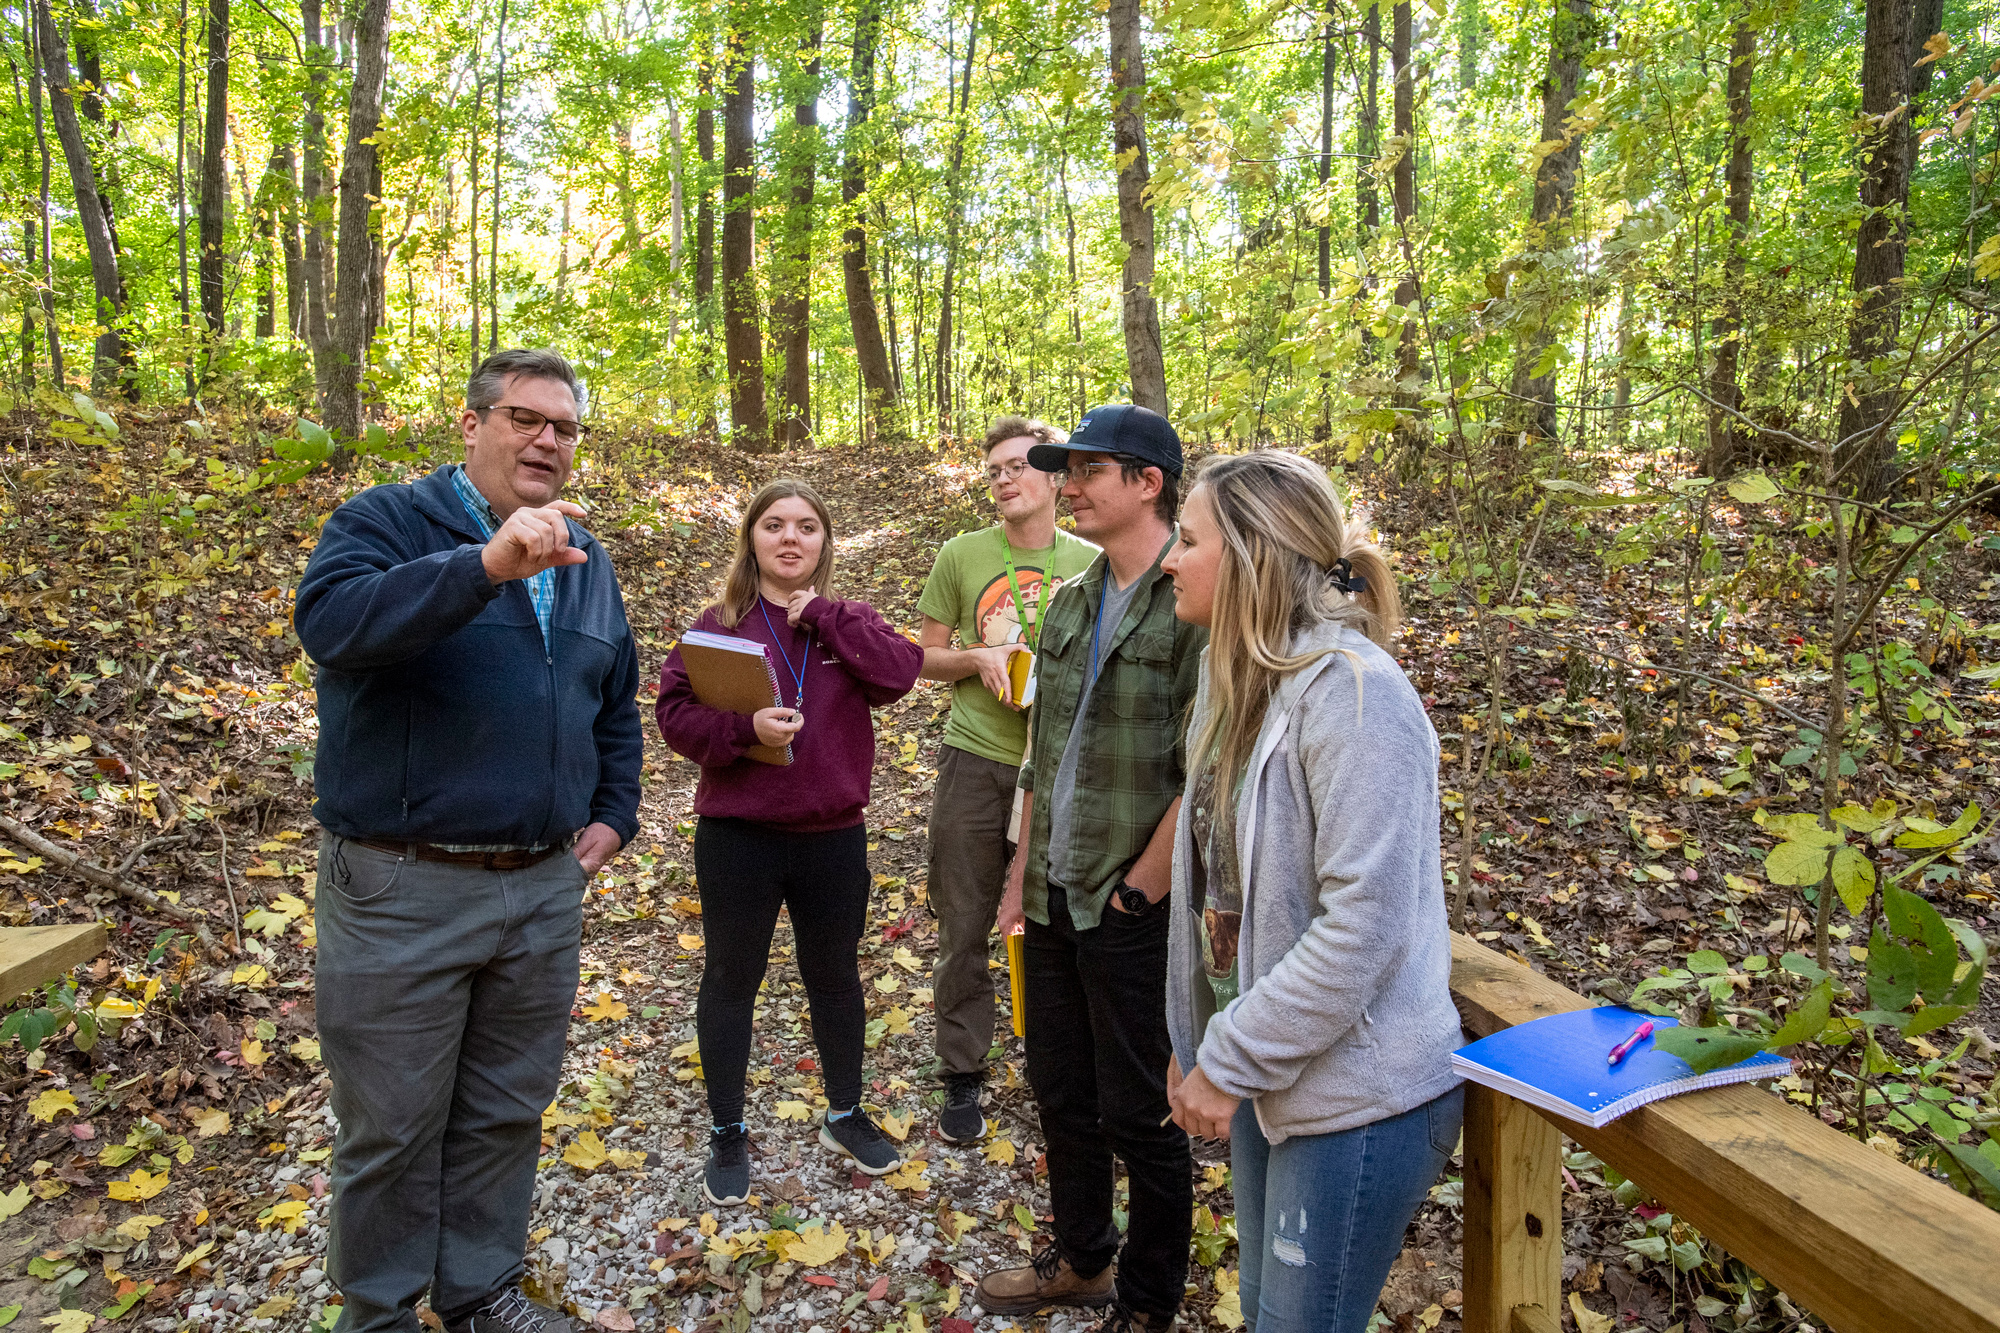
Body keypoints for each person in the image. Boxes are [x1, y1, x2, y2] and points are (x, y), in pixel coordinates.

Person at [297, 348, 642, 1333]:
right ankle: (379, 1312)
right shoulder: (387, 522)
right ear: (472, 423)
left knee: (505, 1107)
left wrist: (613, 815)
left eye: (564, 427)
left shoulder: (587, 559)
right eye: (524, 418)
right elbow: (332, 626)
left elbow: (610, 702)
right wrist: (486, 565)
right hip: (403, 886)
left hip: (539, 889)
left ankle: (481, 1290)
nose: (546, 440)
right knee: (393, 1127)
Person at [1159, 451, 1464, 1333]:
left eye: (1188, 539)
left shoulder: (1361, 698)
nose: (1171, 559)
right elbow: (1219, 894)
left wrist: (1228, 1054)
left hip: (1354, 1095)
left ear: (1252, 554)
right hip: (1270, 1066)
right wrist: (1197, 1035)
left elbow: (1362, 927)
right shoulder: (1235, 689)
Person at [974, 405, 1206, 1333]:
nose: (1066, 484)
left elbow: (1205, 769)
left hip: (1129, 900)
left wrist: (1142, 886)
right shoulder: (1070, 599)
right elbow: (1044, 752)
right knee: (1060, 1090)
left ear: (1147, 482)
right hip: (1051, 890)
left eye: (1087, 470)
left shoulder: (1191, 598)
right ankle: (1082, 1260)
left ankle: (1148, 1307)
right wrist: (1018, 872)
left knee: (1140, 1112)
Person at [655, 479, 925, 1207]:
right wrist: (744, 732)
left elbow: (901, 672)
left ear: (824, 543)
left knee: (835, 975)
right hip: (737, 834)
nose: (790, 538)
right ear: (752, 539)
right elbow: (674, 717)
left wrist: (829, 616)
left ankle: (843, 1112)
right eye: (774, 525)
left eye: (807, 526)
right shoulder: (720, 624)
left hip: (832, 835)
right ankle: (727, 1127)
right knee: (730, 979)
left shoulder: (848, 621)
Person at [915, 415, 1098, 1143]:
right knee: (963, 919)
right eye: (993, 469)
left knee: (1058, 921)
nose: (1004, 478)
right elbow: (921, 657)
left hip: (1062, 766)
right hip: (976, 756)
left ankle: (1061, 1063)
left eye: (1019, 465)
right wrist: (975, 660)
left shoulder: (1091, 558)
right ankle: (963, 1071)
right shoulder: (962, 556)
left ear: (1055, 476)